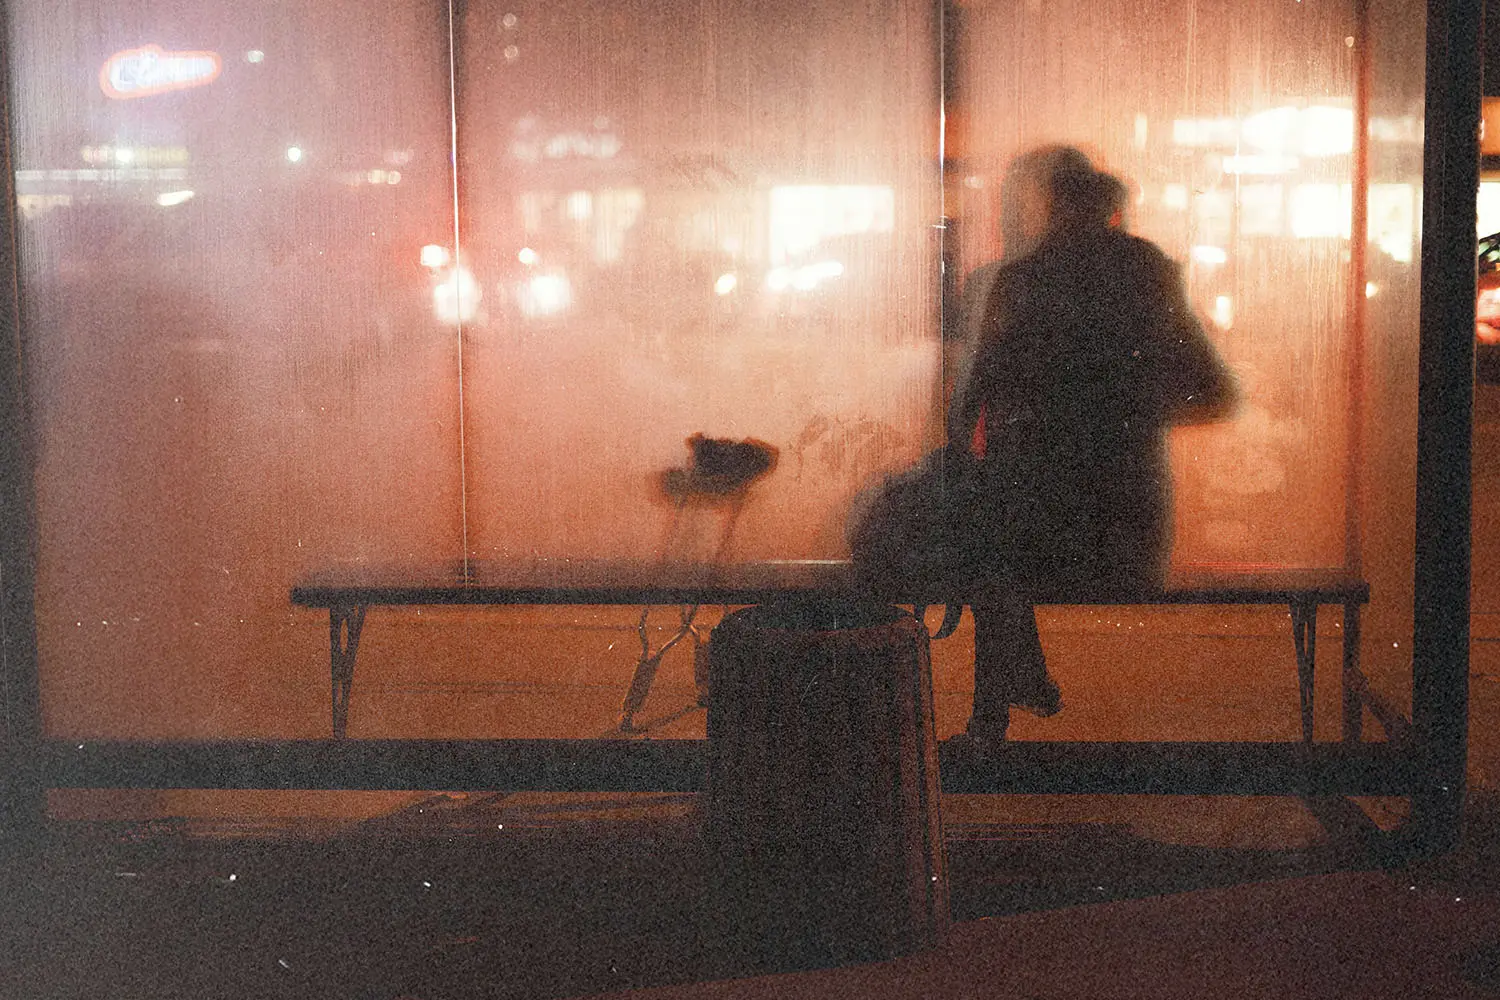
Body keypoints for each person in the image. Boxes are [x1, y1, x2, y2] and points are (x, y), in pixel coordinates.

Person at [944, 145, 1237, 747]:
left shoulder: (1018, 280)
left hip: (1037, 541)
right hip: (1131, 533)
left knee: (988, 535)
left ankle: (996, 710)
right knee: (999, 527)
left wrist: (1041, 424)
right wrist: (1122, 415)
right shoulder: (1145, 270)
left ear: (1042, 206)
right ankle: (1005, 699)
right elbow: (1211, 390)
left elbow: (969, 404)